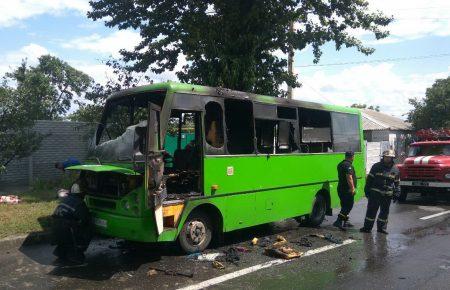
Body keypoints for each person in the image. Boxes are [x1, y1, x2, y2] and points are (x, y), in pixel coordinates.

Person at [51, 179, 92, 264]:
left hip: (54, 227)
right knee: (88, 230)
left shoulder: (66, 199)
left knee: (66, 235)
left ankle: (61, 252)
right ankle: (75, 253)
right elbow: (85, 219)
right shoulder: (80, 203)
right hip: (66, 229)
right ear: (82, 193)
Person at [360, 150, 399, 235]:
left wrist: (397, 193)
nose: (387, 158)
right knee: (371, 211)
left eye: (389, 157)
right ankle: (367, 228)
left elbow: (397, 183)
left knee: (384, 212)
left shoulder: (395, 169)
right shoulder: (376, 166)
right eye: (386, 157)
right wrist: (367, 190)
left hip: (387, 195)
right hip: (375, 195)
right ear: (383, 157)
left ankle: (381, 228)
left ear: (392, 158)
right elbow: (369, 180)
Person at [333, 151, 357, 231]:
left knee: (344, 206)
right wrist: (352, 188)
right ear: (352, 157)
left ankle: (345, 221)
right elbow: (349, 177)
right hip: (347, 190)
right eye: (354, 156)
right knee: (348, 206)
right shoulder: (348, 165)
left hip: (341, 188)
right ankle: (338, 221)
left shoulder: (340, 164)